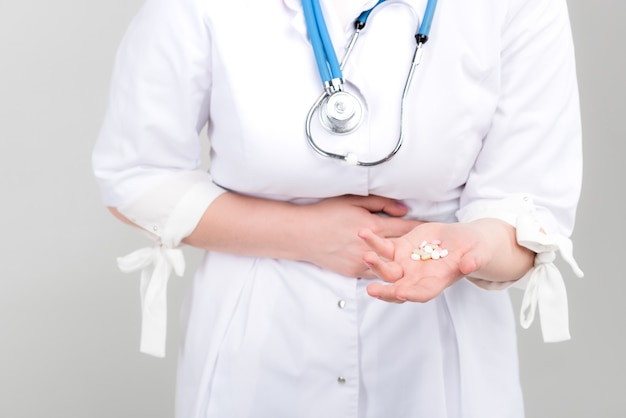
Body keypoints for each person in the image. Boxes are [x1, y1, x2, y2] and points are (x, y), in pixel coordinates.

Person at [92, 0, 584, 416]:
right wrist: (302, 234)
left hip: (443, 345)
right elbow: (135, 175)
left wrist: (461, 247)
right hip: (260, 337)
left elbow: (530, 209)